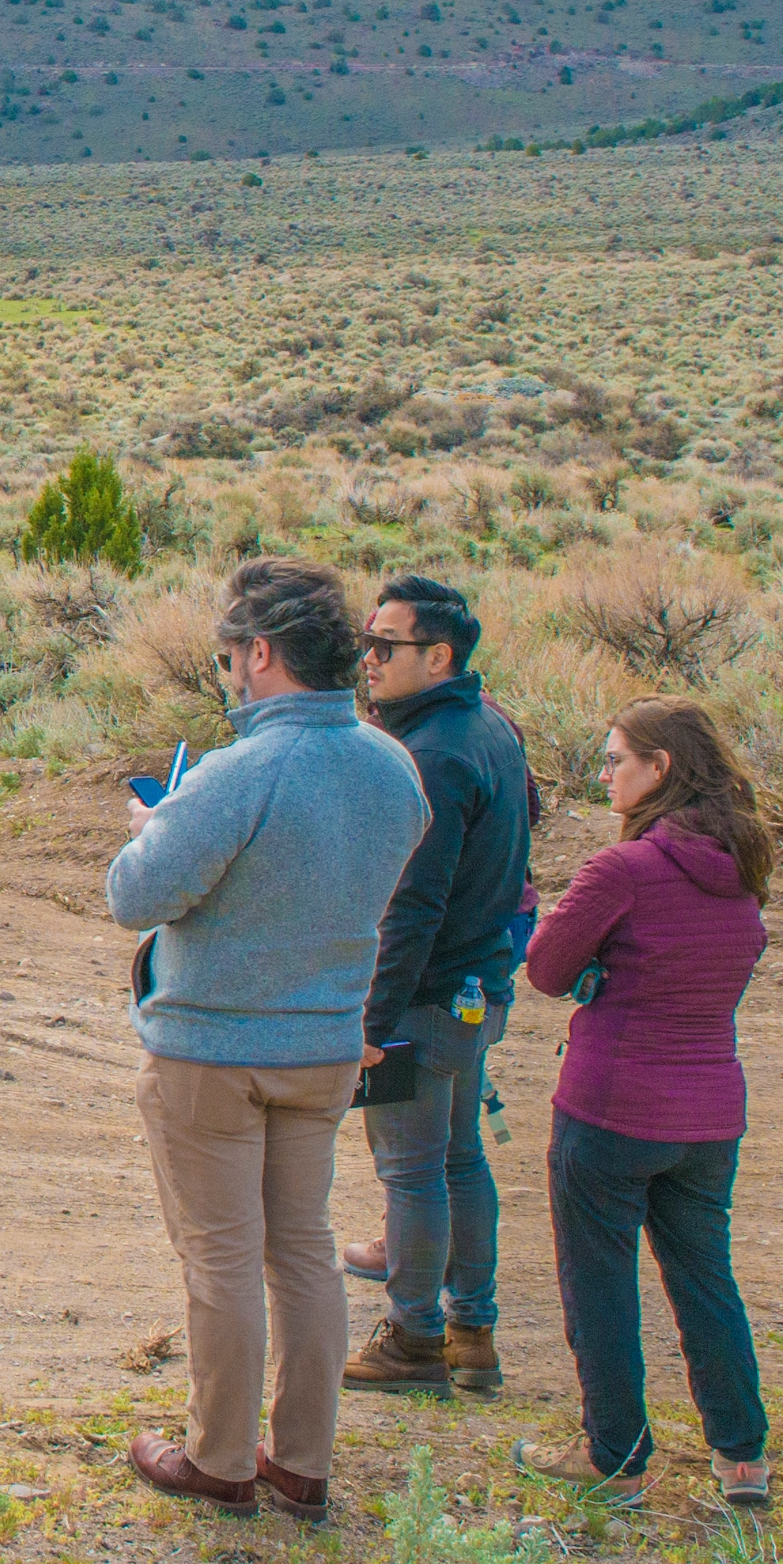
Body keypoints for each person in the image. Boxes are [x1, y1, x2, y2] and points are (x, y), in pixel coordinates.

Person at [108, 557, 428, 1523]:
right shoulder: (391, 765)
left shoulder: (240, 771)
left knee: (221, 1259)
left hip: (213, 1048)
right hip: (324, 1044)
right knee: (303, 1251)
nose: (228, 677)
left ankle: (219, 1459)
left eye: (229, 660)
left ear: (261, 654)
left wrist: (155, 827)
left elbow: (136, 895)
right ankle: (303, 1458)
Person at [516, 698, 775, 1509]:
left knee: (599, 1280)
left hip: (611, 1104)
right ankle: (740, 1457)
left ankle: (615, 1456)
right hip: (709, 1111)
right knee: (705, 1280)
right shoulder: (743, 866)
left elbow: (547, 970)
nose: (604, 774)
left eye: (616, 758)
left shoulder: (622, 870)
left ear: (659, 768)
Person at [342, 573, 537, 1396]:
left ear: (440, 656)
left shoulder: (431, 756)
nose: (370, 659)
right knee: (457, 1161)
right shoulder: (487, 726)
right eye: (367, 641)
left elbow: (410, 907)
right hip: (474, 987)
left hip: (423, 998)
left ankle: (415, 1338)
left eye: (387, 647)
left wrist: (369, 1024)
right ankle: (471, 1330)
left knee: (413, 1172)